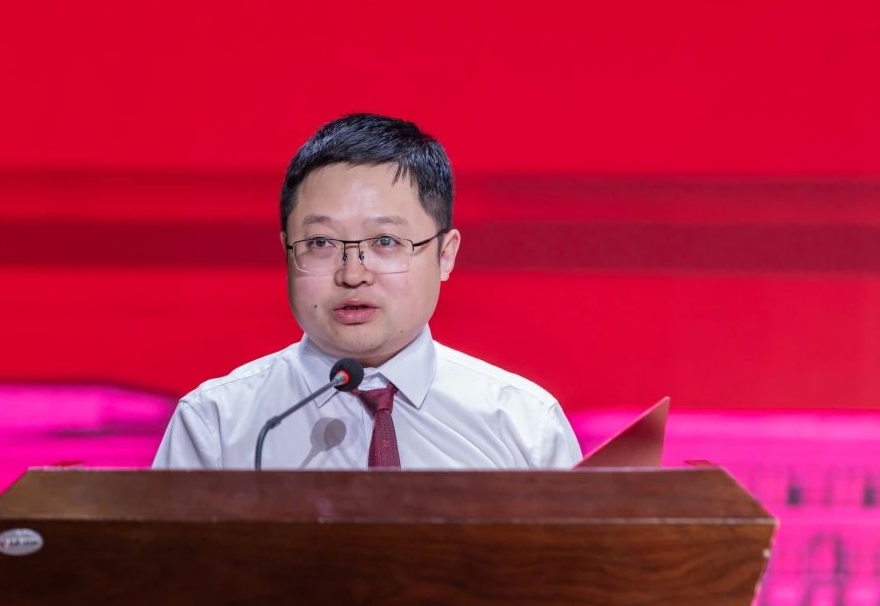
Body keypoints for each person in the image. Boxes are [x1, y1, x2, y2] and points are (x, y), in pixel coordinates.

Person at [152, 113, 581, 469]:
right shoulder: (217, 425)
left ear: (445, 255)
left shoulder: (525, 426)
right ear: (287, 251)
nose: (352, 274)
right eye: (321, 242)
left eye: (386, 242)